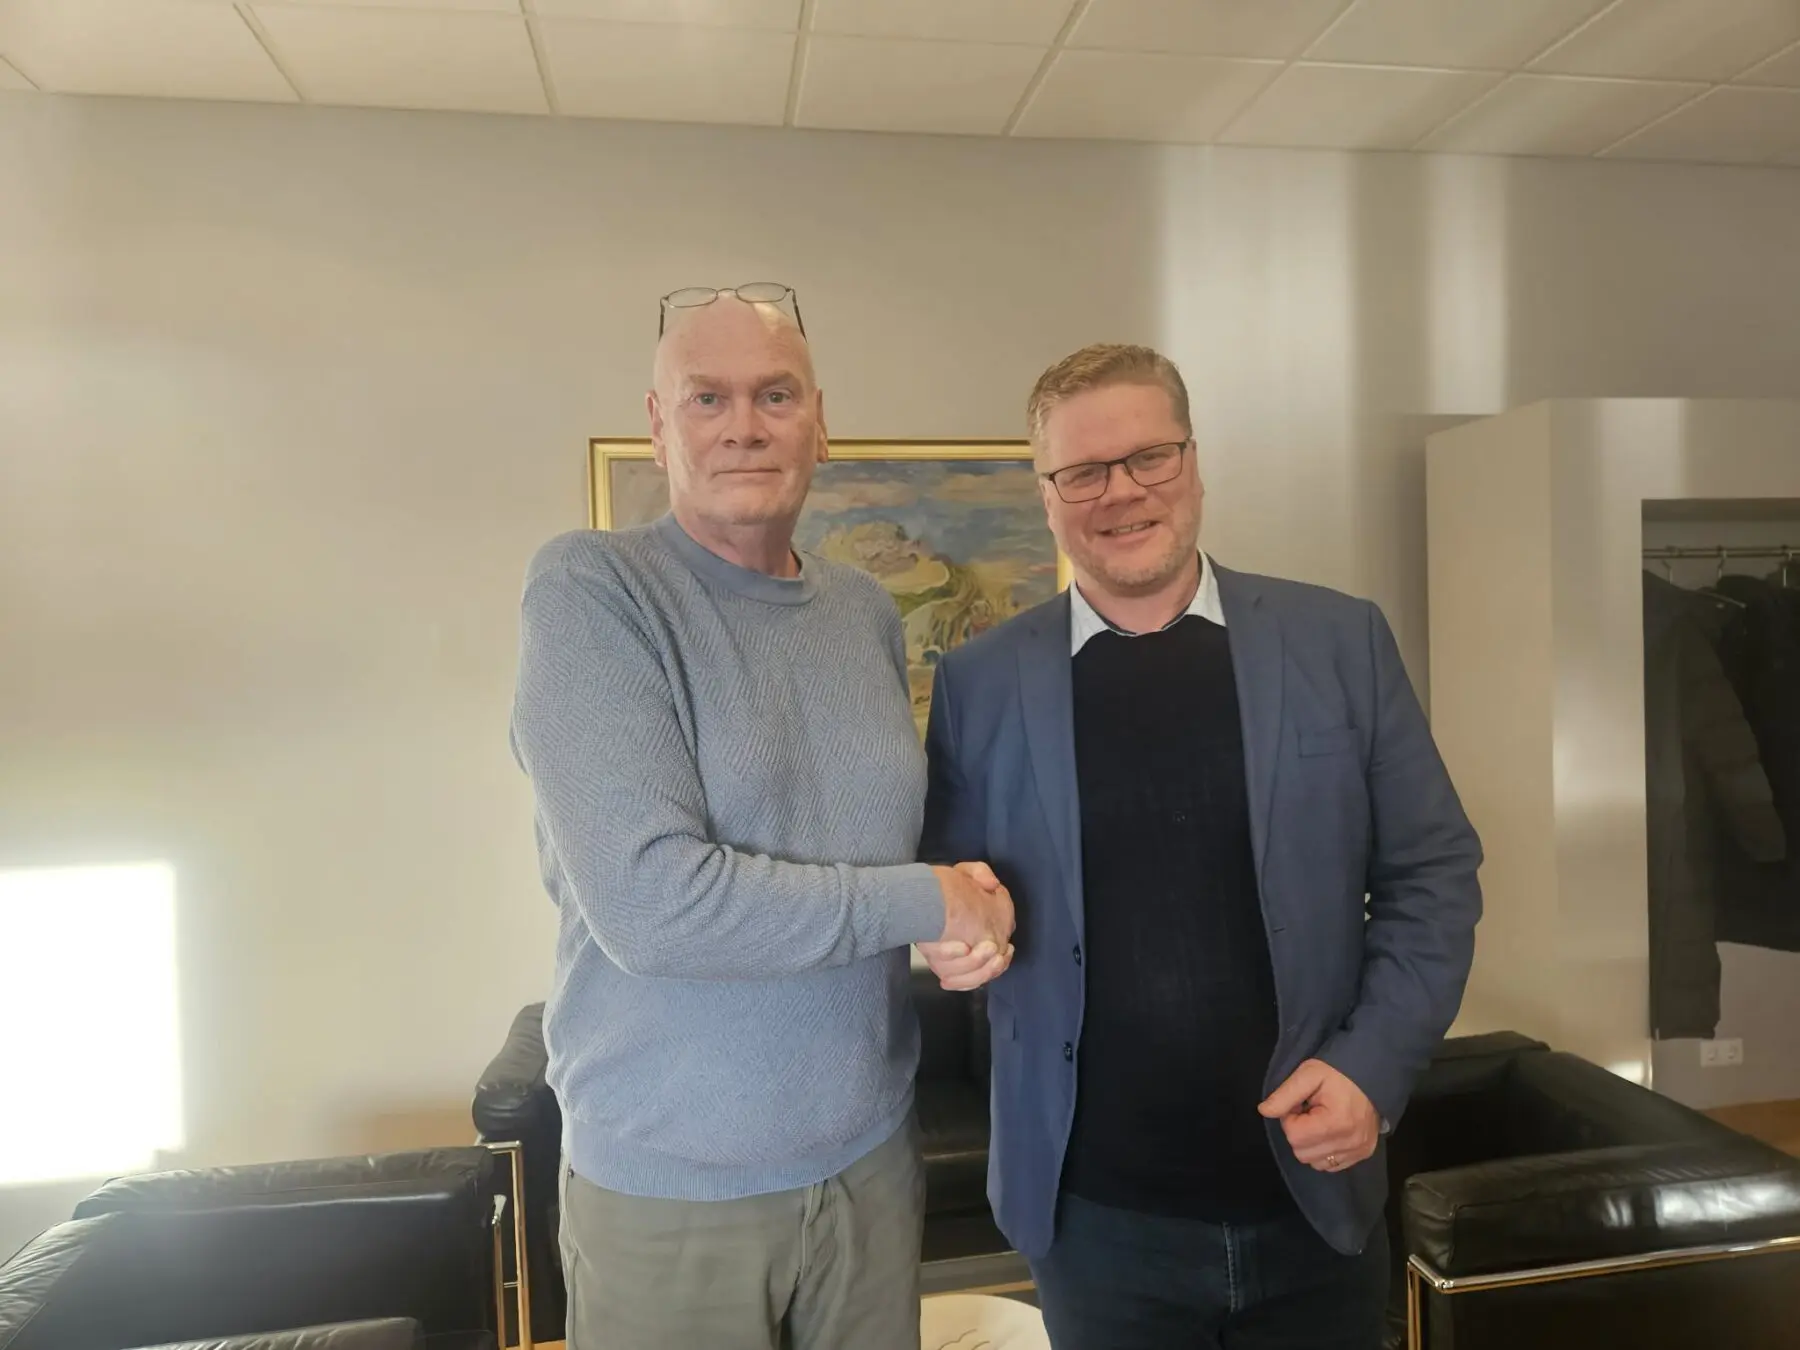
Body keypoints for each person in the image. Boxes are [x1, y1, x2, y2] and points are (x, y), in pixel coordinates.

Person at [917, 343, 1482, 1349]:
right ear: (1046, 496)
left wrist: (1372, 1066)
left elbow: (1433, 877)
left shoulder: (1339, 641)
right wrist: (950, 932)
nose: (1120, 491)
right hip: (1093, 1224)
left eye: (1149, 456)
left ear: (1193, 461)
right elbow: (954, 894)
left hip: (1313, 1191)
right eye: (1082, 471)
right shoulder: (979, 685)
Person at [510, 284, 1013, 1350]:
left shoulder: (862, 610)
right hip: (672, 1191)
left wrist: (962, 912)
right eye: (708, 397)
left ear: (818, 423)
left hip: (872, 1163)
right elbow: (654, 906)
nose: (744, 424)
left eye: (775, 395)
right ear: (659, 426)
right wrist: (926, 900)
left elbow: (874, 839)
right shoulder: (592, 590)